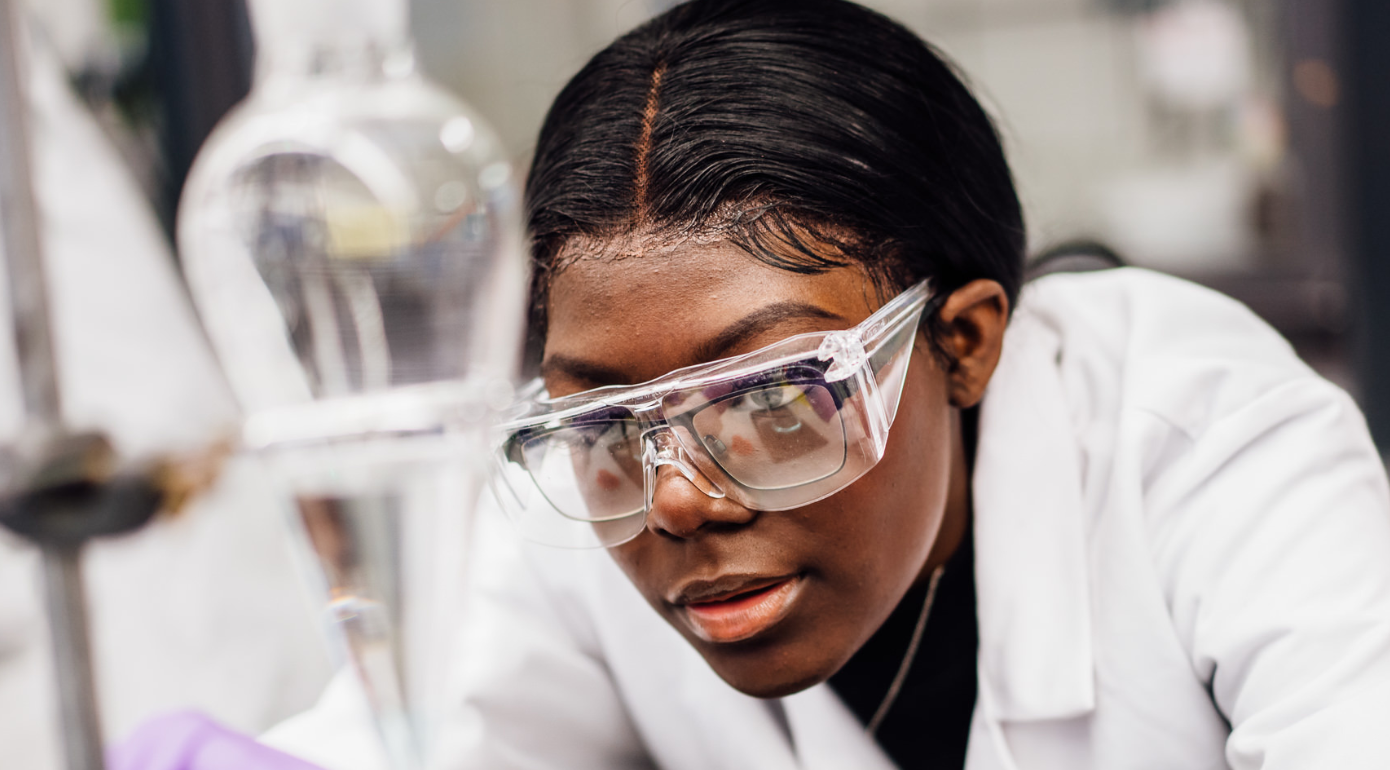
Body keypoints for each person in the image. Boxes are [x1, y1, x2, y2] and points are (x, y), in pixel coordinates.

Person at [117, 0, 1390, 768]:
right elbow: (423, 737)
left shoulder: (1206, 443)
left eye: (775, 397)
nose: (673, 498)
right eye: (602, 416)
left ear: (963, 341)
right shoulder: (585, 503)